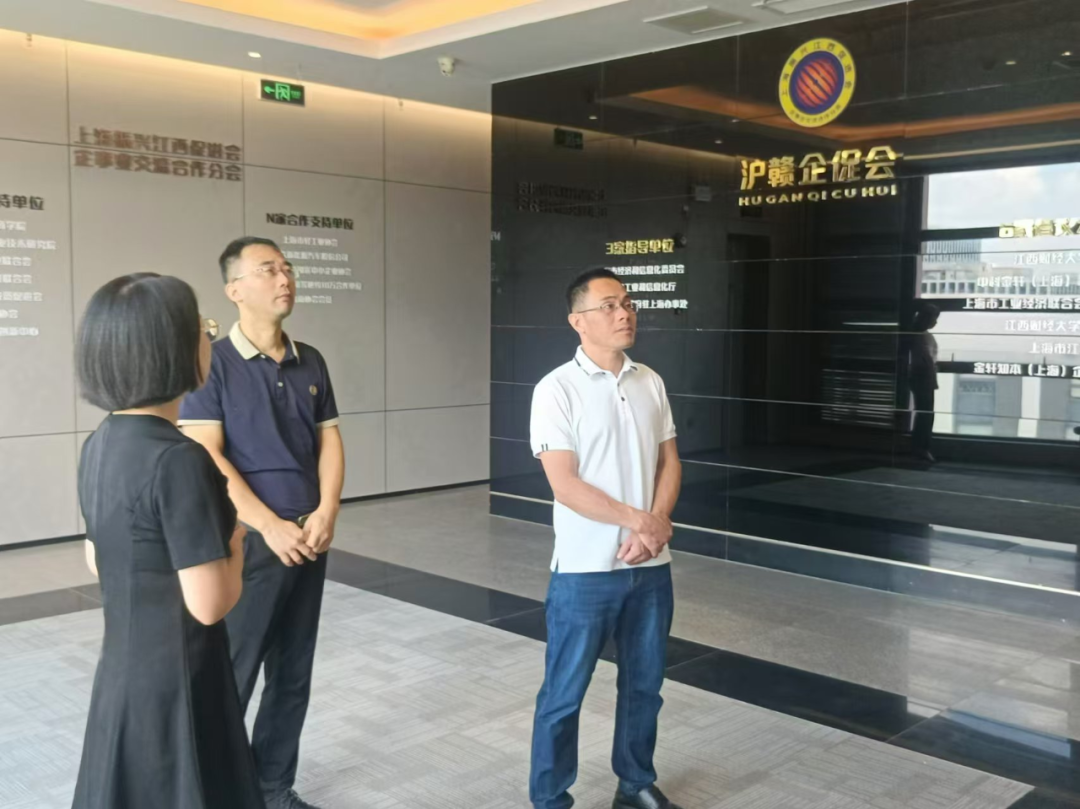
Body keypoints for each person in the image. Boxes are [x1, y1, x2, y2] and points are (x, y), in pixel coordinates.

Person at [72, 273, 263, 809]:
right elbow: (209, 604)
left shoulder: (99, 443)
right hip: (181, 675)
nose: (209, 337)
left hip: (123, 668)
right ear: (170, 347)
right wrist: (237, 541)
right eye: (202, 326)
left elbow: (97, 558)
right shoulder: (180, 458)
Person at [180, 237, 345, 809]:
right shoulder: (213, 363)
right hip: (248, 542)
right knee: (234, 672)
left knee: (293, 673)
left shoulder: (310, 359)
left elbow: (329, 440)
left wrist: (327, 510)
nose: (284, 278)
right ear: (234, 290)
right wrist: (269, 525)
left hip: (310, 537)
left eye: (287, 268)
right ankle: (216, 793)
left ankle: (273, 788)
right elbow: (207, 454)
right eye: (268, 270)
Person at [529, 268, 684, 809]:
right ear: (578, 321)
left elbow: (669, 462)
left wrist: (655, 524)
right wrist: (640, 521)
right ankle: (551, 798)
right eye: (610, 306)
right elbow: (565, 484)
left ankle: (635, 784)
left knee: (645, 687)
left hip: (650, 566)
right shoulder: (556, 389)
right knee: (564, 695)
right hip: (584, 570)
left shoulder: (650, 381)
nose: (624, 314)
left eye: (628, 304)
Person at [909, 303, 940, 463]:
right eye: (934, 318)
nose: (935, 322)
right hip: (923, 378)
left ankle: (920, 447)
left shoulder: (919, 334)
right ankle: (921, 448)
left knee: (925, 413)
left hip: (924, 378)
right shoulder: (918, 335)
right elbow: (925, 360)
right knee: (926, 414)